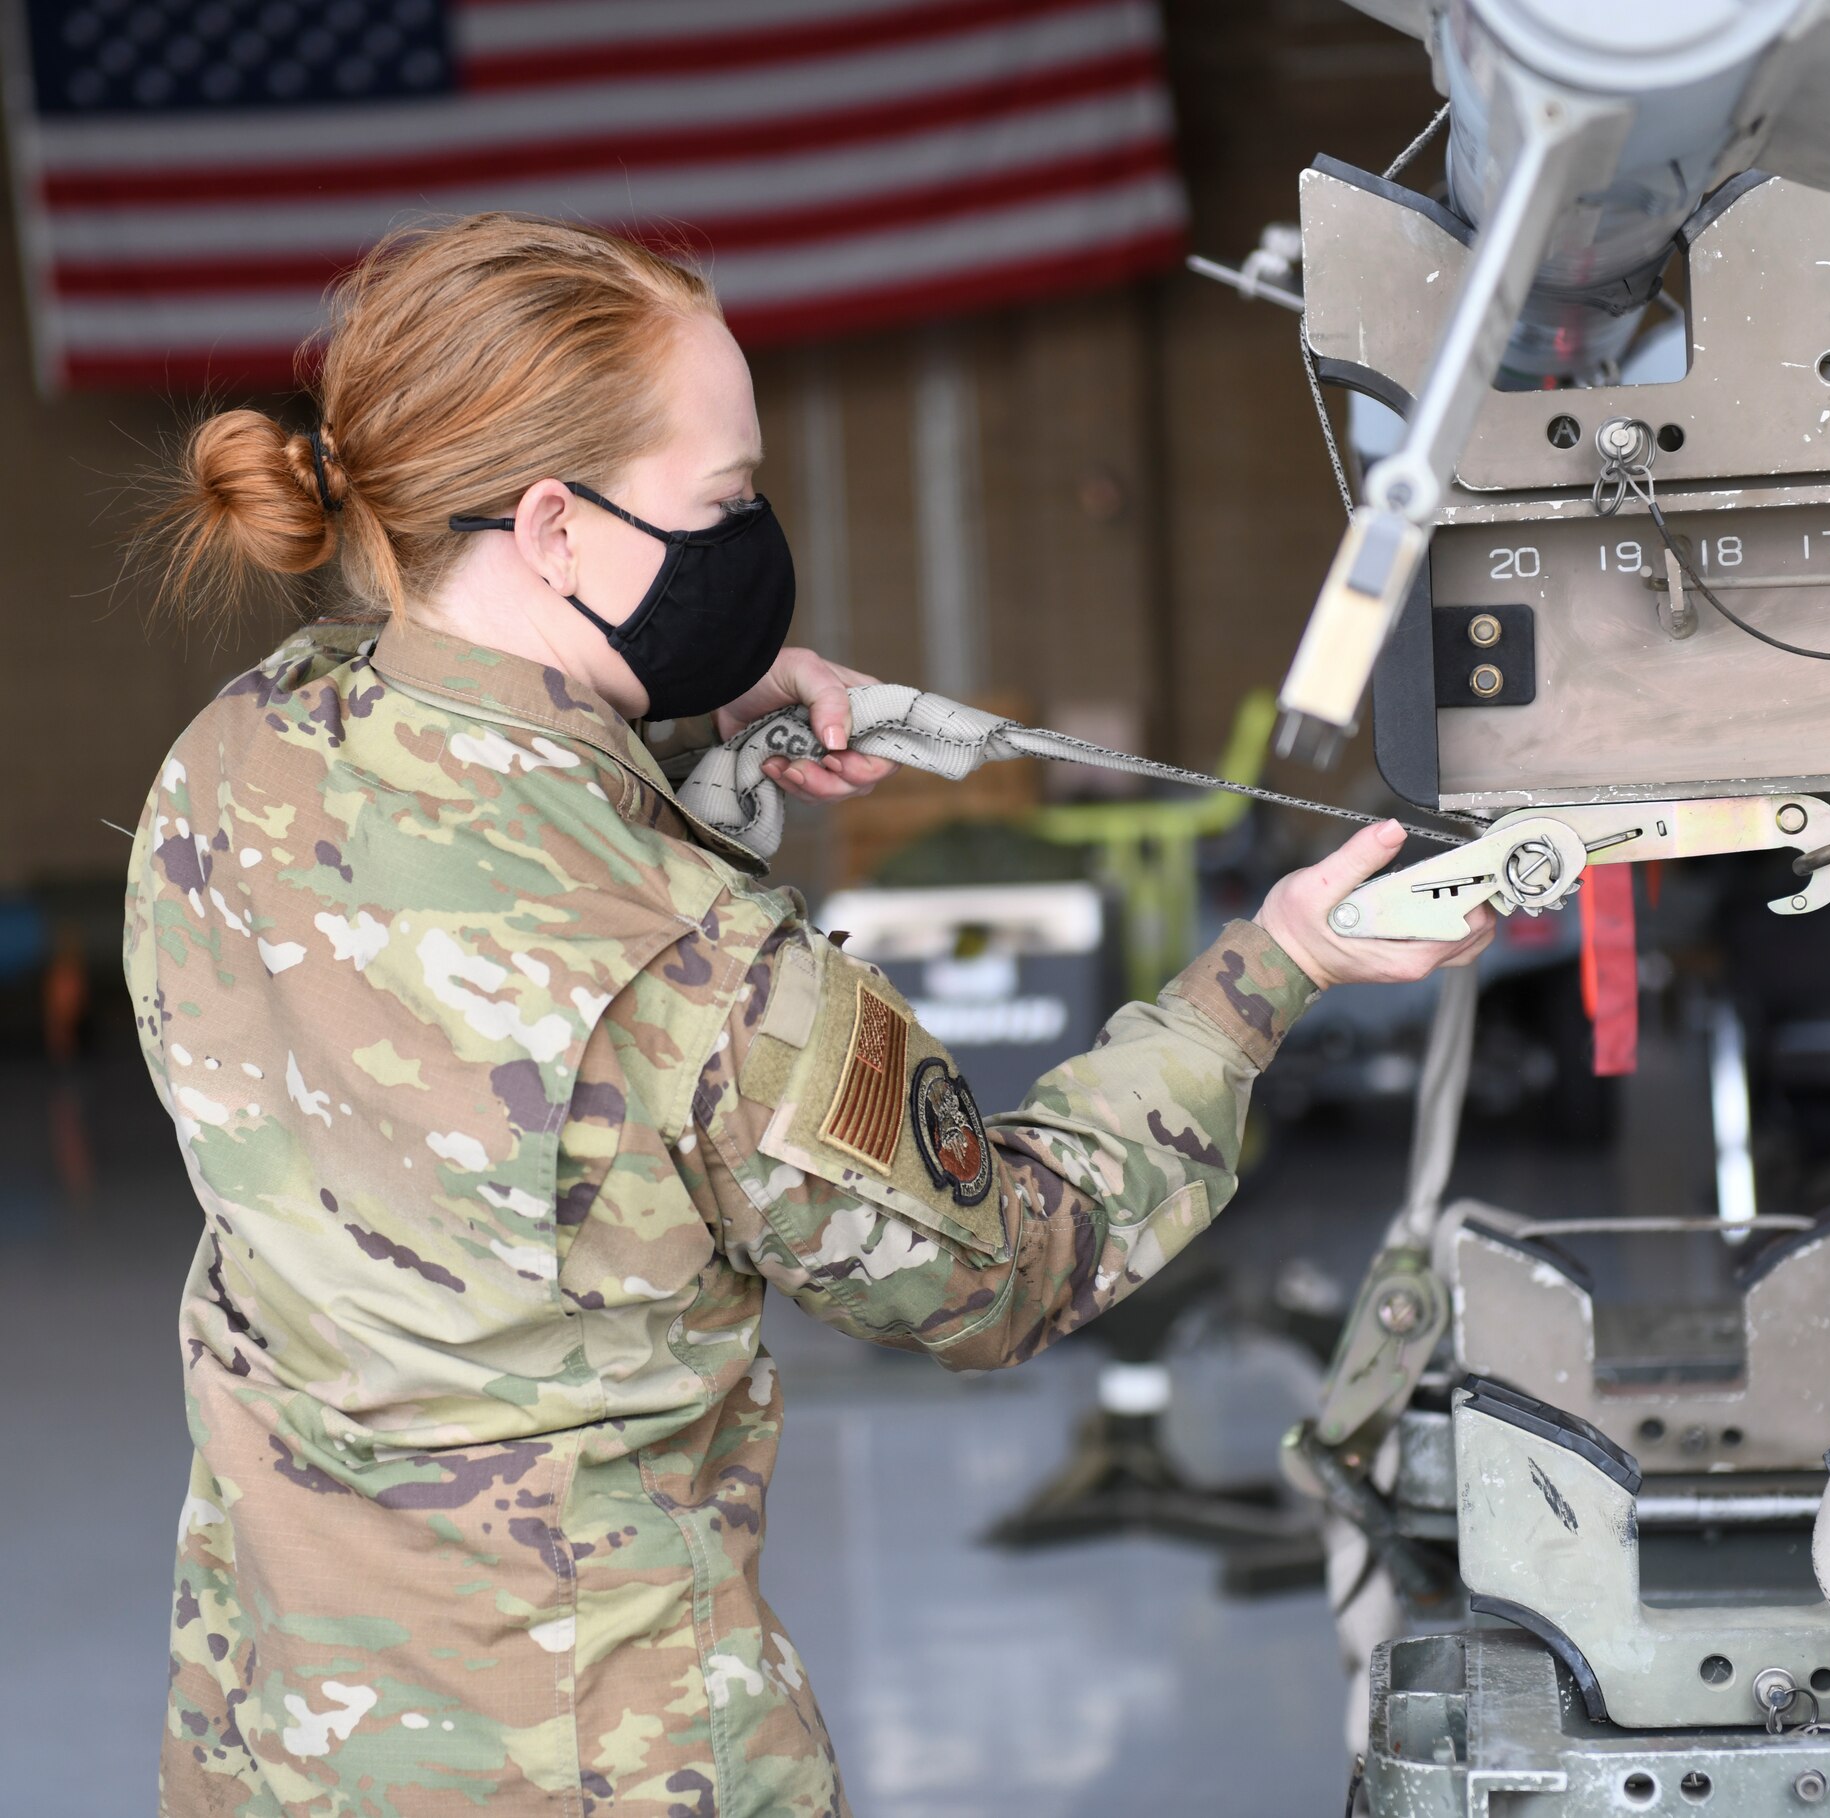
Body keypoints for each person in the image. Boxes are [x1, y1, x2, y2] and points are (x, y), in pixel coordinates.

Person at [125, 213, 1493, 1818]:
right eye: (727, 503)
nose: (756, 536)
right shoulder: (700, 967)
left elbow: (472, 828)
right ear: (557, 528)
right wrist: (1272, 970)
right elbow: (1005, 1268)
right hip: (599, 1762)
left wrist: (676, 708)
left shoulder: (236, 757)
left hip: (267, 1723)